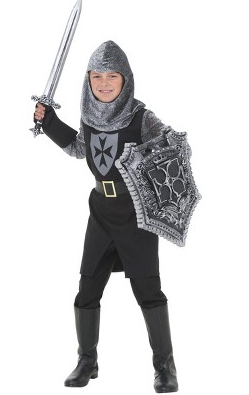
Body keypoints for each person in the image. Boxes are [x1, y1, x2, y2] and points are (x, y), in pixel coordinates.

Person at [34, 40, 179, 393]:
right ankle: (87, 361)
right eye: (97, 76)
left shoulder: (142, 117)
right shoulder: (89, 115)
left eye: (112, 76)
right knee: (87, 289)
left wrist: (164, 147)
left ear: (125, 79)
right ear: (88, 79)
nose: (104, 83)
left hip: (136, 215)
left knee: (148, 290)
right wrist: (48, 122)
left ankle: (165, 366)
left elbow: (173, 148)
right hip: (100, 211)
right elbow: (79, 148)